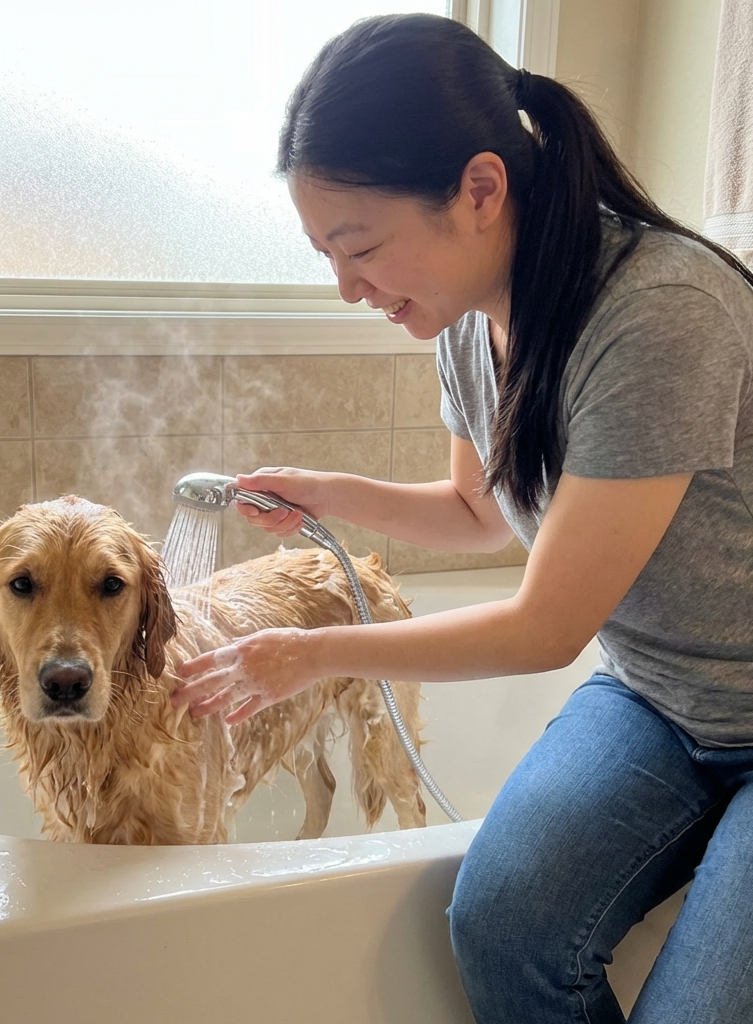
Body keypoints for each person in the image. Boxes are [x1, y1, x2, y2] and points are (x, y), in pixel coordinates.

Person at [169, 13, 753, 1024]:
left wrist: (310, 654)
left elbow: (543, 627)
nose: (349, 287)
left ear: (480, 189)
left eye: (359, 247)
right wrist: (326, 491)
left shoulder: (660, 311)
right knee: (501, 925)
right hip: (659, 697)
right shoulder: (468, 320)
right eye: (325, 253)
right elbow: (479, 513)